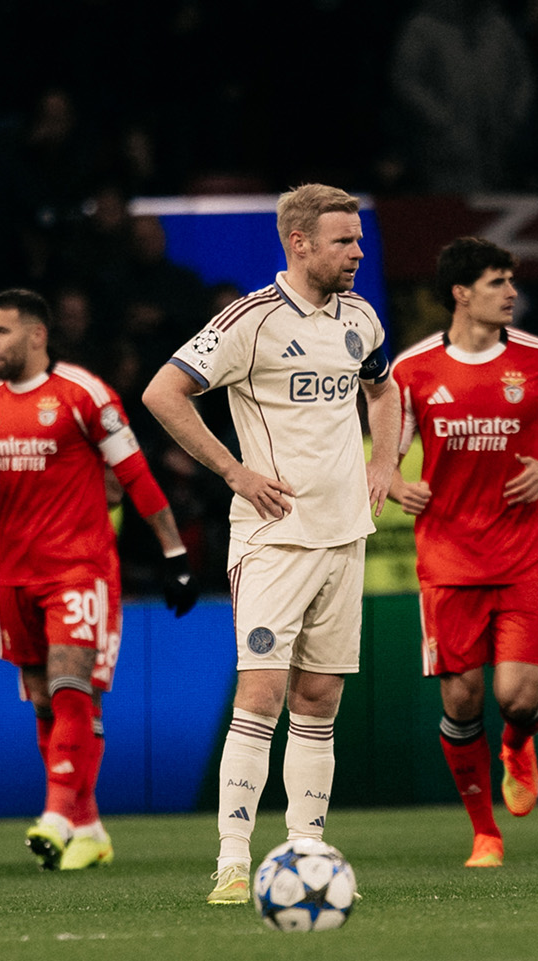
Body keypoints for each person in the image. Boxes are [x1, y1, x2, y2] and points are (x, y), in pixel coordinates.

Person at [141, 184, 399, 904]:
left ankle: (306, 852)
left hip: (345, 535)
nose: (357, 252)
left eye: (358, 239)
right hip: (274, 540)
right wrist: (234, 472)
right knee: (260, 693)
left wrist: (384, 461)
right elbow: (162, 393)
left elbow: (385, 389)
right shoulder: (250, 320)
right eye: (344, 241)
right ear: (300, 243)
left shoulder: (361, 317)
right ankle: (232, 861)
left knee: (319, 698)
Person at [0, 289, 199, 871]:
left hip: (79, 568)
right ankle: (89, 827)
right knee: (47, 703)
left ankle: (54, 818)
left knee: (72, 685)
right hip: (15, 578)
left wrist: (174, 553)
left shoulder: (83, 394)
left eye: (0, 331)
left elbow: (136, 474)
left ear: (36, 335)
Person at [388, 237, 538, 868]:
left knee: (518, 699)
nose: (511, 293)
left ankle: (518, 744)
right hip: (447, 558)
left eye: (511, 281)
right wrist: (394, 483)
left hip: (523, 554)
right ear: (461, 293)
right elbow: (382, 457)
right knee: (461, 701)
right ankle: (485, 834)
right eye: (498, 282)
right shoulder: (413, 371)